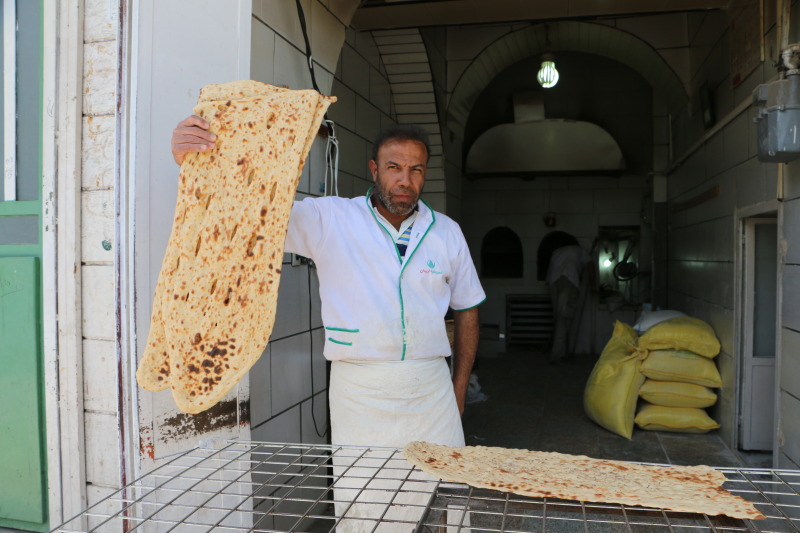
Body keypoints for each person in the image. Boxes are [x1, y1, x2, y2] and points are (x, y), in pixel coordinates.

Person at [171, 115, 485, 531]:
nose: (404, 180)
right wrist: (193, 162)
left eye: (416, 169)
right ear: (374, 169)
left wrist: (458, 389)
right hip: (360, 391)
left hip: (431, 388)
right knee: (367, 502)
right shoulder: (330, 219)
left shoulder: (446, 233)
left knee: (446, 498)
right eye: (394, 167)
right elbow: (252, 211)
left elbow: (468, 310)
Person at [545, 243, 588, 364]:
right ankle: (557, 354)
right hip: (568, 279)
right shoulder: (582, 250)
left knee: (559, 317)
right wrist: (595, 288)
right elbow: (591, 267)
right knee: (563, 319)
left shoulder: (558, 251)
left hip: (554, 281)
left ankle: (563, 351)